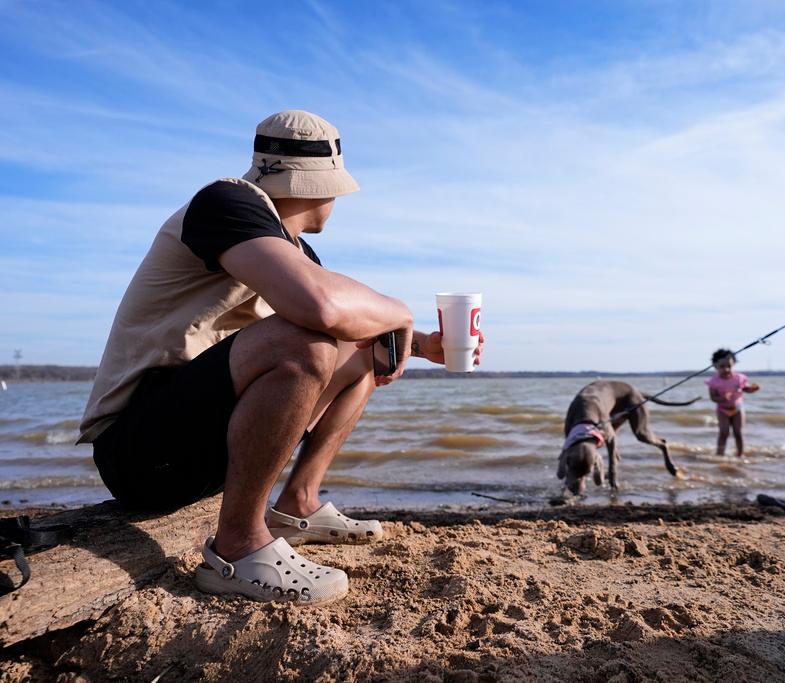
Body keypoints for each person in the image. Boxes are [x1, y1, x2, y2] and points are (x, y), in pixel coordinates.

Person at [78, 110, 484, 605]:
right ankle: (239, 546)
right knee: (309, 338)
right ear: (316, 184)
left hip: (197, 443)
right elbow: (320, 307)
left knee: (363, 347)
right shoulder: (225, 204)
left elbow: (339, 317)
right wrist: (397, 309)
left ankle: (297, 505)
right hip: (137, 451)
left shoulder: (295, 251)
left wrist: (420, 344)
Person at [706, 349, 760, 457]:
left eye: (729, 366)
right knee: (723, 433)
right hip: (722, 410)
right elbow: (713, 398)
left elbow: (745, 388)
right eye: (722, 366)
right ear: (715, 366)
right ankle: (720, 454)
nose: (726, 369)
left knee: (738, 433)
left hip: (737, 409)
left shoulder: (739, 378)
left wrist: (752, 389)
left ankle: (740, 454)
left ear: (733, 364)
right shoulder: (714, 381)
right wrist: (722, 398)